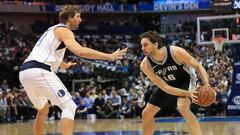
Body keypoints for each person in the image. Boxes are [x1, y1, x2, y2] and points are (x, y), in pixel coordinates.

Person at [19, 5, 127, 135]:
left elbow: (48, 52)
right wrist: (108, 56)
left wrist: (64, 65)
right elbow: (79, 51)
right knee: (69, 106)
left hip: (25, 72)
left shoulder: (51, 30)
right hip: (39, 70)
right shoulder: (65, 31)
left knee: (42, 111)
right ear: (70, 18)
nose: (80, 20)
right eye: (78, 16)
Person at [139, 31, 209, 135]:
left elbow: (198, 67)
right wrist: (188, 94)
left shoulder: (175, 52)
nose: (142, 48)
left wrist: (207, 85)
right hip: (169, 85)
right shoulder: (145, 65)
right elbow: (164, 87)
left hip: (187, 80)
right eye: (141, 45)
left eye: (145, 45)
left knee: (182, 107)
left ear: (156, 44)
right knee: (146, 113)